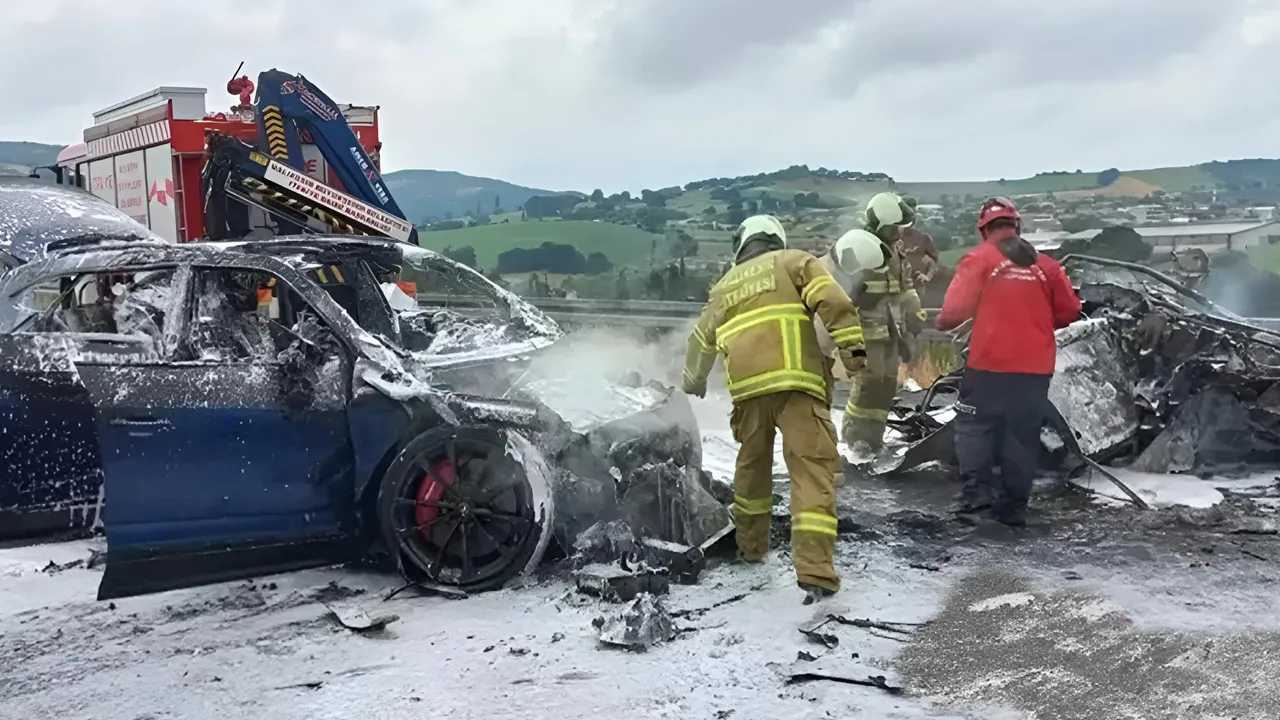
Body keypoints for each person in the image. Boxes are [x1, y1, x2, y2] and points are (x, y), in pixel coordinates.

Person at [683, 215, 867, 604]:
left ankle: (751, 548)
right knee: (811, 471)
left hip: (748, 394)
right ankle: (815, 571)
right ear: (775, 239)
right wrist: (852, 349)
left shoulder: (724, 287)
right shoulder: (794, 261)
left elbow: (701, 341)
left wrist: (693, 381)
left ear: (742, 244)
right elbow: (832, 300)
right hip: (797, 385)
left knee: (751, 473)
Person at [935, 197, 1082, 526]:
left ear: (984, 229)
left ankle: (976, 500)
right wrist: (1035, 323)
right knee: (1021, 435)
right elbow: (1070, 312)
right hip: (1034, 371)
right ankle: (1013, 507)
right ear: (1018, 227)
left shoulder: (979, 259)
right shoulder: (1047, 266)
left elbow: (951, 315)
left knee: (975, 428)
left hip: (988, 366)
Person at [841, 192, 929, 462]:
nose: (899, 231)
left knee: (887, 385)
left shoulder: (897, 249)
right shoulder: (857, 247)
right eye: (894, 226)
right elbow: (839, 287)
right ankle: (853, 439)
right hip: (864, 331)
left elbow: (906, 287)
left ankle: (873, 441)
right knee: (866, 385)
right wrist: (855, 297)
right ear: (879, 223)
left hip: (892, 330)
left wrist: (915, 315)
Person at [898, 197, 941, 287]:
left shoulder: (923, 238)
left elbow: (933, 261)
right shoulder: (890, 239)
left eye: (913, 214)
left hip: (917, 289)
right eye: (907, 215)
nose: (911, 218)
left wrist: (927, 277)